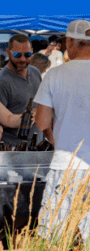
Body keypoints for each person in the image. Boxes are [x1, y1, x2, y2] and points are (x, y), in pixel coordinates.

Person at [35, 20, 90, 244]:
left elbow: (41, 122)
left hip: (66, 164)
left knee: (55, 238)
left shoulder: (54, 75)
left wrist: (52, 134)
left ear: (69, 42)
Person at [0, 34, 42, 143]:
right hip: (13, 149)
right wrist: (21, 119)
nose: (22, 59)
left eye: (27, 54)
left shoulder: (35, 72)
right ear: (8, 53)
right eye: (17, 54)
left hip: (37, 145)